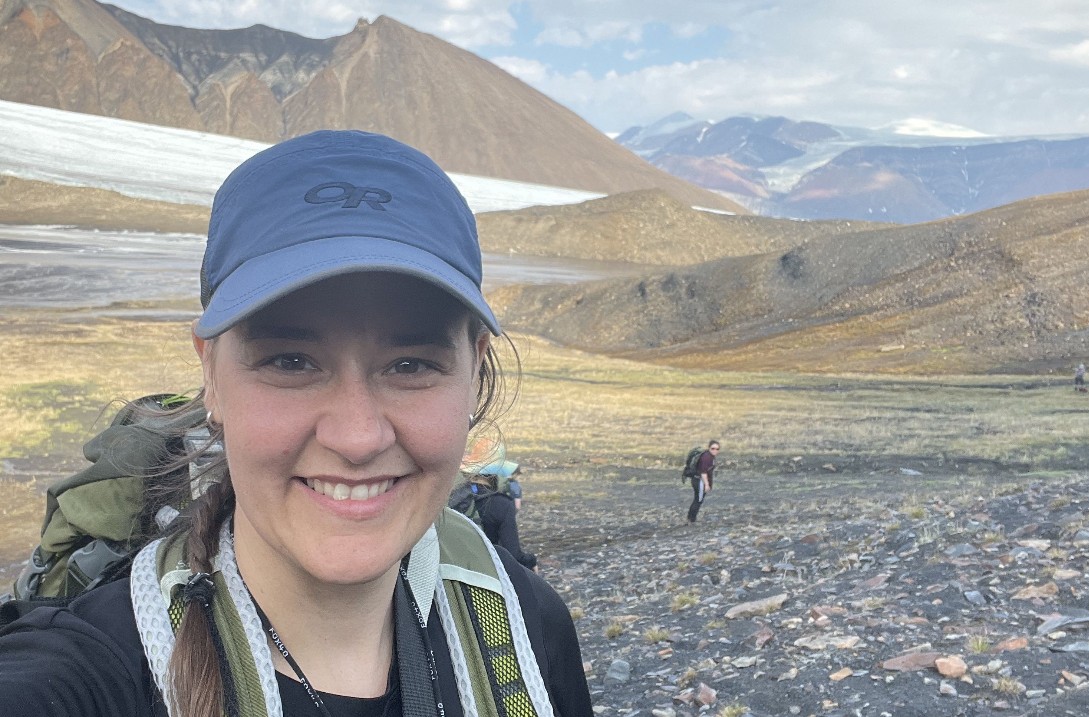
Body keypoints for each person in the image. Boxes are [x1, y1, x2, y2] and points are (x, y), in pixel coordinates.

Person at [0, 130, 592, 717]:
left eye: (411, 365)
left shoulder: (526, 627)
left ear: (473, 373)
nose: (358, 438)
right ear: (211, 375)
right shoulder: (88, 672)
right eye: (290, 362)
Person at [453, 472, 538, 570]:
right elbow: (513, 553)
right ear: (495, 475)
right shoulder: (502, 503)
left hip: (454, 570)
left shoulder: (451, 499)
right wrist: (531, 562)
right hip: (489, 571)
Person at [686, 440, 720, 524]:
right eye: (713, 448)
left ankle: (690, 518)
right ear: (709, 448)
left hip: (698, 480)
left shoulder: (709, 456)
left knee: (697, 499)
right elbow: (703, 472)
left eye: (717, 449)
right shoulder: (706, 457)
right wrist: (707, 485)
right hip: (699, 481)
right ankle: (691, 519)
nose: (715, 451)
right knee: (698, 500)